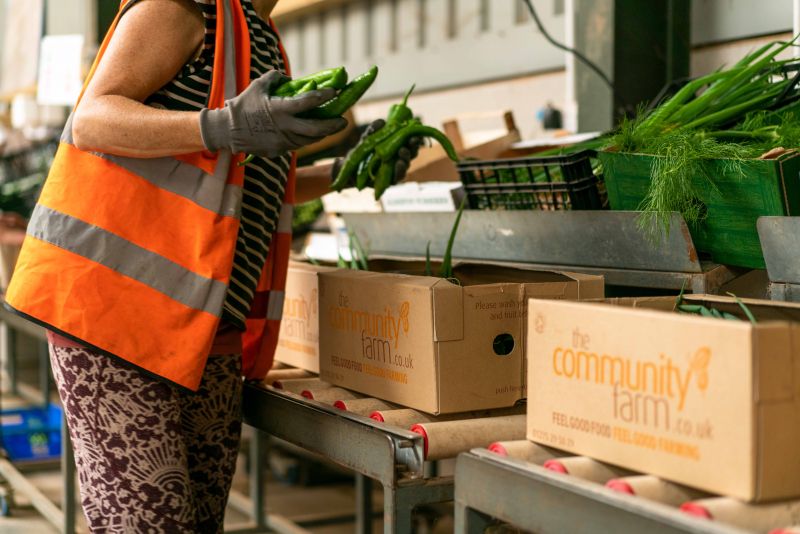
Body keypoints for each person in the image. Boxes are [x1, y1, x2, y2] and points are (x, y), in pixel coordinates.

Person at [4, 0, 349, 531]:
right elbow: (93, 118)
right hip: (117, 319)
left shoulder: (257, 36)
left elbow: (237, 183)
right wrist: (223, 125)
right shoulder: (183, 8)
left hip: (202, 327)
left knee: (195, 521)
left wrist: (345, 173)